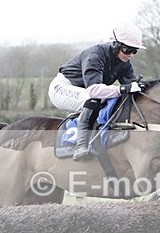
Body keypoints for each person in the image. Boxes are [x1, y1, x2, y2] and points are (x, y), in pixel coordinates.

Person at [48, 23, 146, 161]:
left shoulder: (124, 61)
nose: (130, 55)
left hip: (85, 91)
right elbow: (94, 90)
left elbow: (131, 84)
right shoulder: (96, 55)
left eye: (134, 51)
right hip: (62, 88)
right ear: (115, 44)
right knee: (92, 100)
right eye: (127, 50)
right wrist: (122, 88)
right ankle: (81, 146)